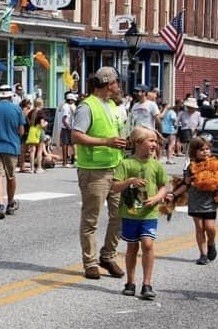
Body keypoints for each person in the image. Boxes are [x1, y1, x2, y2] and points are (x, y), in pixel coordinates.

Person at [71, 66, 127, 280]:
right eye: (115, 83)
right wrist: (107, 142)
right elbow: (76, 136)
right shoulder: (87, 106)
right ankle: (90, 262)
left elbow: (116, 133)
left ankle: (108, 255)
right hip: (94, 170)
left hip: (116, 167)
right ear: (107, 84)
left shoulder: (112, 105)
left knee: (119, 215)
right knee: (91, 219)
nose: (118, 87)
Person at [111, 126, 168, 300]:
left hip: (149, 213)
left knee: (148, 244)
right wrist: (129, 181)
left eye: (155, 142)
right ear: (137, 142)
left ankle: (147, 284)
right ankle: (130, 282)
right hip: (130, 212)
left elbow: (163, 187)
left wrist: (157, 198)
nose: (154, 145)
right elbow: (114, 187)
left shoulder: (156, 165)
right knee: (132, 247)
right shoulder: (126, 163)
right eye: (150, 141)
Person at [167, 137, 218, 265]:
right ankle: (203, 254)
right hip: (195, 201)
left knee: (210, 228)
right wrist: (173, 194)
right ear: (194, 152)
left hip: (209, 201)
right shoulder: (190, 167)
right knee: (199, 228)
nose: (205, 152)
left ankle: (211, 243)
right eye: (201, 149)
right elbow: (185, 184)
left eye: (207, 149)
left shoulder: (216, 165)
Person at [0, 84, 26, 219]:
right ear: (10, 96)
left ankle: (0, 204)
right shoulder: (17, 109)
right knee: (11, 175)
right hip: (11, 145)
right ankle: (10, 202)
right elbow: (21, 130)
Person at [60, 92, 76, 167]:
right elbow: (64, 119)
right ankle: (65, 162)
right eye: (72, 100)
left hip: (68, 127)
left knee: (69, 144)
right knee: (65, 145)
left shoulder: (68, 106)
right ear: (70, 100)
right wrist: (68, 127)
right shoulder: (66, 107)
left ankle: (68, 161)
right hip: (66, 128)